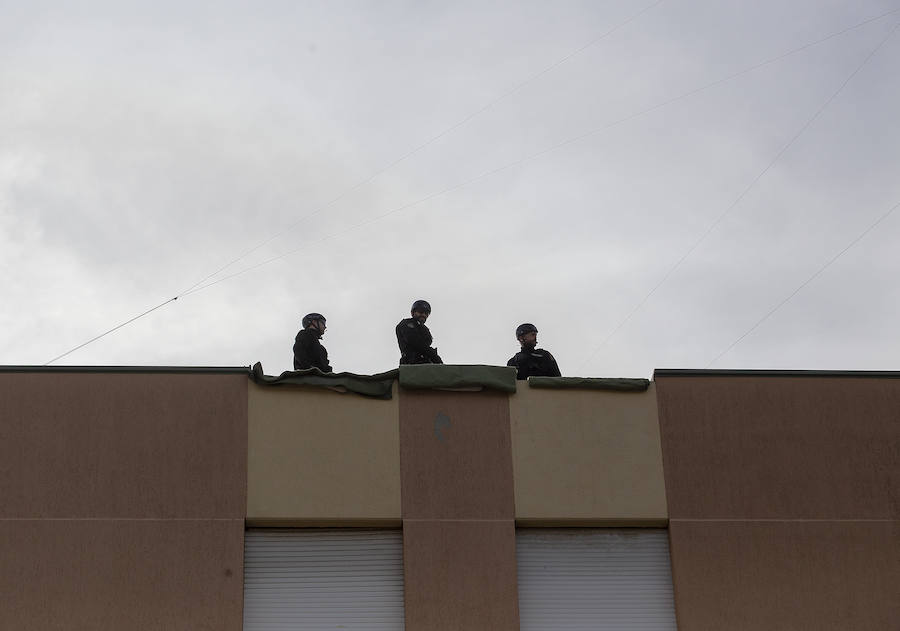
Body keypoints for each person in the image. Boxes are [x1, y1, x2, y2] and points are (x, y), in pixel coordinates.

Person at [396, 299, 443, 365]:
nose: (424, 315)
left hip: (426, 364)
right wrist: (433, 355)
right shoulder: (406, 323)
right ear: (413, 312)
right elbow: (414, 341)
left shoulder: (425, 330)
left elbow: (426, 345)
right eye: (421, 312)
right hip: (412, 363)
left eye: (426, 313)